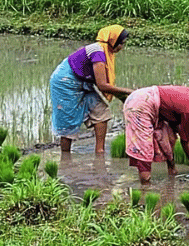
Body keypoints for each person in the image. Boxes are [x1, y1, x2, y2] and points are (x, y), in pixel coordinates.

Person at [50, 25, 134, 154]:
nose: (121, 47)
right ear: (113, 40)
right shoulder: (98, 52)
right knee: (68, 121)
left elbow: (103, 83)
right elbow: (102, 85)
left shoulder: (106, 52)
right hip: (65, 83)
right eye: (121, 43)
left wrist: (124, 98)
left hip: (83, 82)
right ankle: (65, 157)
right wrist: (129, 92)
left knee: (101, 111)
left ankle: (99, 152)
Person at [123, 85, 189, 185]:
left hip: (141, 97)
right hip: (140, 106)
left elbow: (178, 128)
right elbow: (185, 142)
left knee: (169, 137)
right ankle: (145, 184)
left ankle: (172, 170)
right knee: (144, 146)